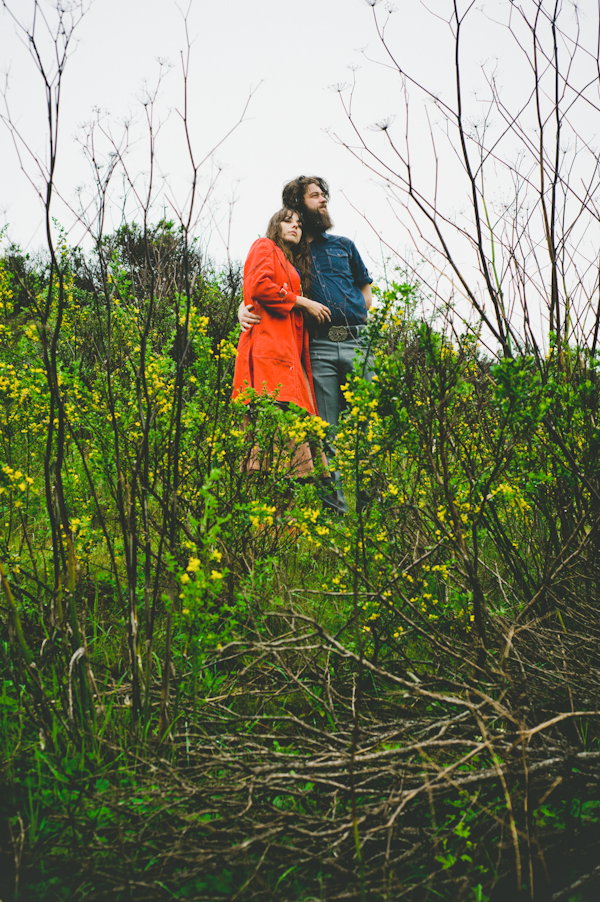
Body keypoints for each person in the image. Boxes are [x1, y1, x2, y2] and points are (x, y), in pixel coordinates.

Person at [239, 177, 373, 513]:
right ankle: (336, 517)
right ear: (296, 205)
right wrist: (243, 308)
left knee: (369, 429)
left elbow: (365, 289)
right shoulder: (287, 250)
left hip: (358, 342)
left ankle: (374, 517)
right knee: (323, 435)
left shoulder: (343, 245)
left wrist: (355, 312)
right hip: (319, 349)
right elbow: (262, 283)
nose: (324, 200)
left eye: (324, 195)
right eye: (315, 196)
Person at [232, 207, 331, 477]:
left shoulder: (290, 264)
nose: (295, 226)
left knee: (292, 446)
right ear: (276, 225)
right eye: (288, 221)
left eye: (299, 223)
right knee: (272, 428)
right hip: (268, 354)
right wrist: (304, 303)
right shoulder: (264, 246)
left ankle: (289, 517)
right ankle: (269, 518)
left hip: (288, 356)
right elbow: (259, 286)